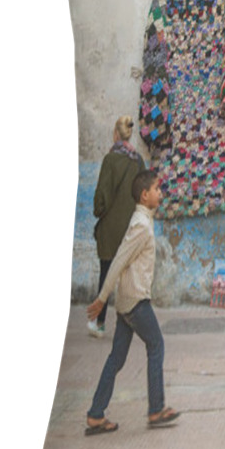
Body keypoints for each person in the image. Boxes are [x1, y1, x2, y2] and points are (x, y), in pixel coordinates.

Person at [84, 170, 179, 436]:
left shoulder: (142, 219)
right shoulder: (140, 224)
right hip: (135, 300)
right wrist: (102, 298)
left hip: (127, 301)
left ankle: (95, 414)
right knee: (156, 344)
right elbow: (119, 260)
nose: (161, 192)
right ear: (144, 195)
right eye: (157, 189)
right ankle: (156, 408)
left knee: (116, 357)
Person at [90, 116, 146, 337]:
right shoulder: (138, 160)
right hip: (131, 228)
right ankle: (133, 323)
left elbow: (101, 197)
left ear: (116, 133)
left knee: (107, 274)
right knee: (129, 278)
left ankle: (99, 323)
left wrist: (99, 212)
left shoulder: (110, 160)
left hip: (111, 229)